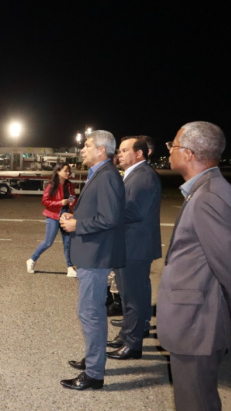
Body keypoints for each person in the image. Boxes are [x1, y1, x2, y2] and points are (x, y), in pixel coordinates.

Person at [157, 121, 231, 411]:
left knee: (195, 404)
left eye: (172, 145)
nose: (170, 150)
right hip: (197, 324)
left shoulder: (208, 197)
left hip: (197, 328)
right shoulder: (206, 189)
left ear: (187, 154)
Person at [59, 130, 125, 390]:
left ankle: (94, 374)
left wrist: (78, 225)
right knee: (91, 312)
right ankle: (92, 359)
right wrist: (74, 219)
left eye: (87, 145)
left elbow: (110, 218)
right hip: (93, 253)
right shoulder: (100, 173)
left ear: (101, 150)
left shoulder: (107, 176)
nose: (82, 149)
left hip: (96, 256)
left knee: (90, 314)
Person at [106, 136, 161, 360]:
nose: (119, 155)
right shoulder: (135, 174)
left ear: (139, 154)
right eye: (119, 150)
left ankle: (133, 344)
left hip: (135, 247)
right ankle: (128, 334)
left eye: (124, 150)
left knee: (134, 296)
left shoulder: (143, 176)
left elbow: (134, 211)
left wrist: (106, 215)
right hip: (130, 245)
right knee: (129, 295)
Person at [26, 163, 77, 277]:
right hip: (53, 216)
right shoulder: (51, 185)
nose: (68, 173)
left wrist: (72, 201)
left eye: (69, 171)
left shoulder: (70, 185)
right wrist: (60, 202)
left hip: (67, 215)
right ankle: (32, 260)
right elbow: (45, 201)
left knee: (68, 242)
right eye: (65, 171)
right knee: (48, 242)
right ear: (58, 172)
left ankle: (70, 267)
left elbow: (73, 196)